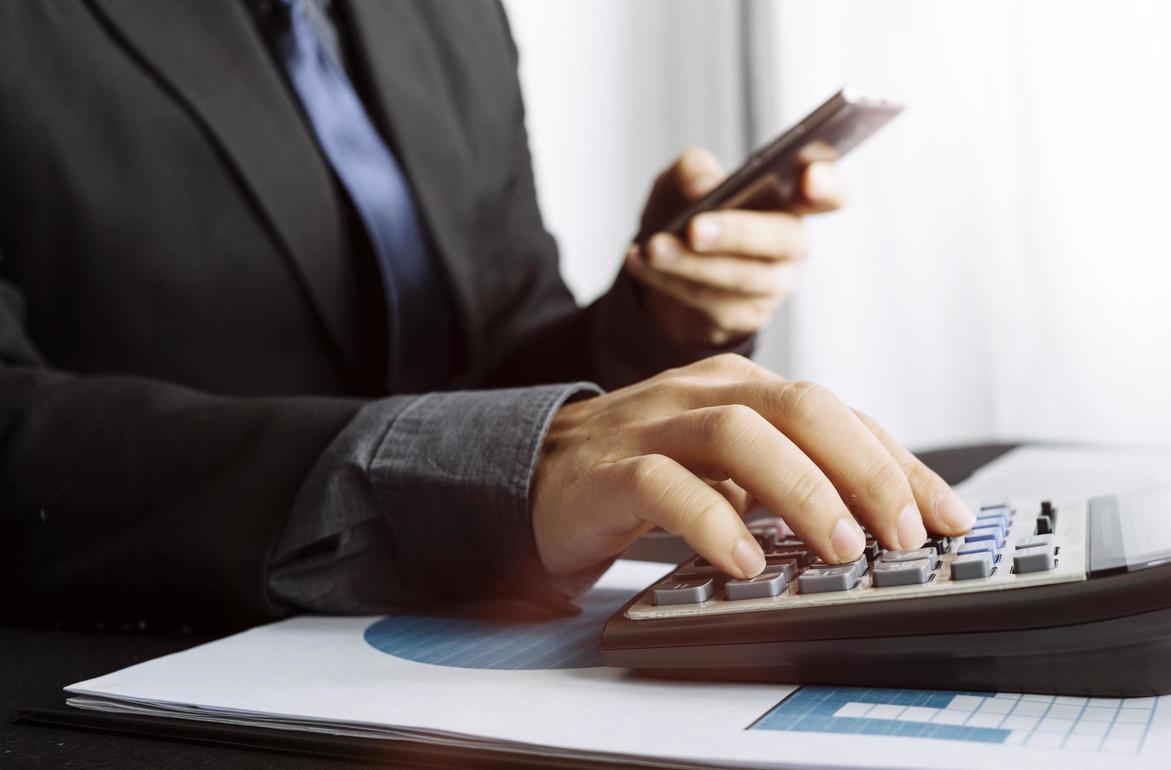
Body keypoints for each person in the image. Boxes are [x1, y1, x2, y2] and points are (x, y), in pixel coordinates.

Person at [0, 0, 974, 630]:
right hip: (136, 690)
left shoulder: (451, 17)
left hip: (467, 650)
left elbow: (501, 353)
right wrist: (467, 470)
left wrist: (658, 325)